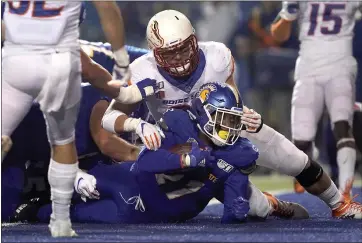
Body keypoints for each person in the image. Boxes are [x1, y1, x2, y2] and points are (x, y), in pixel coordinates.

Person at [103, 9, 362, 219]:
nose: (180, 58)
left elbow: (232, 100)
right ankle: (269, 204)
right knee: (251, 210)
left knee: (295, 159)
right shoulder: (142, 70)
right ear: (155, 53)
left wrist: (247, 114)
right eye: (170, 53)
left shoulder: (217, 56)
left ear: (194, 39)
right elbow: (109, 118)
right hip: (180, 150)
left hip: (222, 130)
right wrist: (137, 125)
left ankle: (339, 203)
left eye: (183, 48)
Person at [12, 83, 308, 224]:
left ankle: (271, 203)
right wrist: (184, 157)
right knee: (96, 193)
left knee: (252, 204)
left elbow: (233, 199)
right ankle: (45, 194)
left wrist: (241, 195)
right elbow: (141, 158)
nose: (228, 125)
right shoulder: (175, 120)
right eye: (221, 116)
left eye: (232, 117)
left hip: (172, 205)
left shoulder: (236, 148)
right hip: (140, 182)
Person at [1, 41, 150, 222]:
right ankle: (39, 208)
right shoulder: (111, 98)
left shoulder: (150, 106)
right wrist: (149, 155)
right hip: (22, 140)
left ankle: (40, 206)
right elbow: (107, 142)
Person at [270, 1, 362, 199]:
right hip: (309, 69)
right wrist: (288, 15)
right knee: (301, 141)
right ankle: (306, 174)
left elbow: (277, 35)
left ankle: (346, 194)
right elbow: (279, 35)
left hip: (339, 66)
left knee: (342, 127)